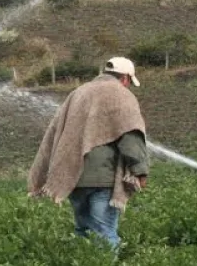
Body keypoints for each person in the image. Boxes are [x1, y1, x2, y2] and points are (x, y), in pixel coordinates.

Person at [27, 57, 150, 251]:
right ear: (125, 78)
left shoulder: (78, 93)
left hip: (74, 177)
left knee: (84, 231)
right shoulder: (121, 95)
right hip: (103, 179)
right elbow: (130, 136)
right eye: (129, 82)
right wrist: (140, 170)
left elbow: (56, 131)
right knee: (104, 233)